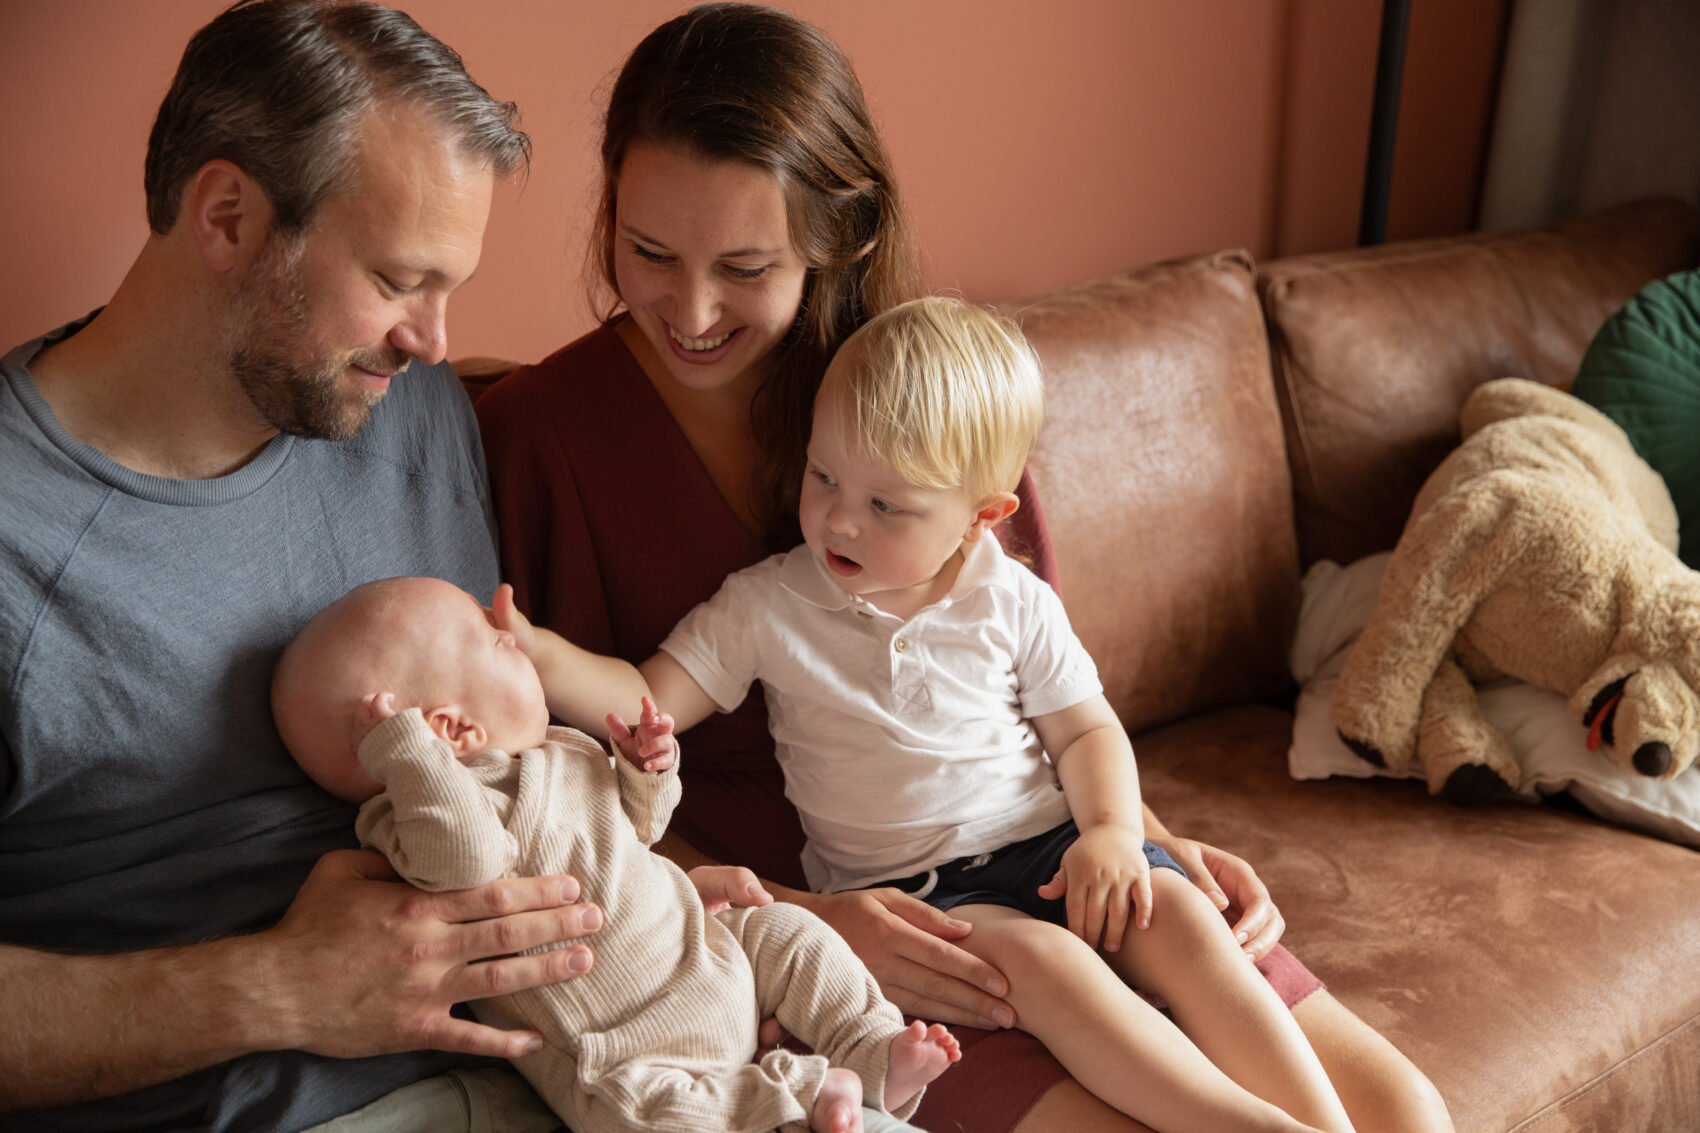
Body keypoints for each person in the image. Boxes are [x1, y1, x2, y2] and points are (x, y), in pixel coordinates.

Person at [475, 5, 1454, 1131]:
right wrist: (802, 917)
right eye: (647, 252)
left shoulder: (932, 399)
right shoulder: (539, 436)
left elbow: (1026, 698)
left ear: (830, 238)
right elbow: (563, 783)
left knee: (1404, 1112)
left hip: (1035, 856)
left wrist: (1137, 837)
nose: (686, 311)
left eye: (743, 266)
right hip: (810, 933)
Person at [505, 298, 1356, 1133]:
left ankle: (1319, 1123)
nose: (838, 516)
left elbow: (1088, 730)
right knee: (1044, 962)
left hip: (1056, 841)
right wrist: (542, 656)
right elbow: (649, 696)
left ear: (980, 517)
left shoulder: (1009, 597)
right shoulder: (768, 604)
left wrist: (1112, 833)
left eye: (887, 505)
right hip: (922, 891)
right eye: (823, 475)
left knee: (1179, 917)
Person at [0, 4, 600, 1131]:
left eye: (449, 287)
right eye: (396, 277)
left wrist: (719, 907)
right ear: (225, 215)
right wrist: (274, 985)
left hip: (578, 1060)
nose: (431, 338)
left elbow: (515, 770)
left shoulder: (406, 409)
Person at [272, 574, 961, 1133]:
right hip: (629, 1051)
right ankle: (796, 1096)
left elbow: (640, 827)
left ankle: (871, 1048)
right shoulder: (417, 818)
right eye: (494, 639)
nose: (515, 637)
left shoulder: (564, 752)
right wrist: (408, 757)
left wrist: (647, 772)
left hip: (710, 951)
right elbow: (471, 864)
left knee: (793, 935)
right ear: (449, 730)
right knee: (638, 1120)